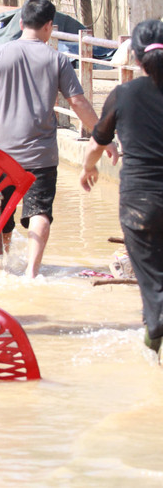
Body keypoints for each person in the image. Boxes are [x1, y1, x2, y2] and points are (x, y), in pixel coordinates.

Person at [0, 0, 118, 279]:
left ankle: (4, 266)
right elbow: (78, 102)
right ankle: (31, 272)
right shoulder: (57, 59)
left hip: (2, 154)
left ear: (21, 23)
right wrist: (103, 137)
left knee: (0, 212)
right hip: (41, 156)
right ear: (49, 26)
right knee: (40, 211)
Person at [80, 19, 163, 353]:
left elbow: (97, 142)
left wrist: (88, 169)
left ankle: (155, 326)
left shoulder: (124, 95)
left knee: (152, 280)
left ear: (137, 58)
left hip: (139, 204)